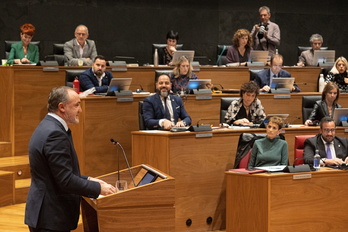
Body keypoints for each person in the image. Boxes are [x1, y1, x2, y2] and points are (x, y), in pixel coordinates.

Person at [25, 86, 116, 232]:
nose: (80, 110)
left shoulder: (48, 126)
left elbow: (57, 173)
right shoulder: (55, 134)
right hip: (51, 217)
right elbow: (65, 180)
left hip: (47, 214)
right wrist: (99, 189)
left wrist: (88, 180)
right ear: (62, 107)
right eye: (76, 105)